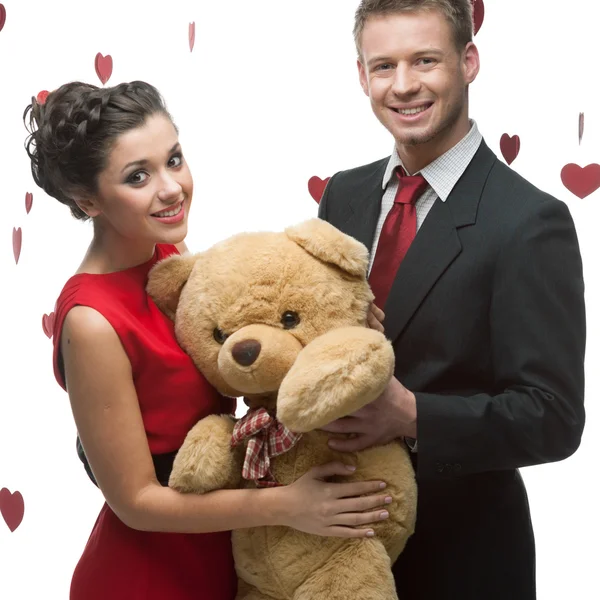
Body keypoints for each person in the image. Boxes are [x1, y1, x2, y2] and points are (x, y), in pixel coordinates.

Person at [23, 80, 394, 600]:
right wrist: (288, 504)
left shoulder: (166, 257)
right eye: (137, 176)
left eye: (173, 159)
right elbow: (135, 501)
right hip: (147, 577)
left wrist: (335, 330)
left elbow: (240, 359)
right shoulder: (91, 321)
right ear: (88, 201)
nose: (171, 187)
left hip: (224, 554)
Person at [318, 1, 586, 598]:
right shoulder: (344, 194)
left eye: (425, 61)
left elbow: (553, 418)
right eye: (383, 65)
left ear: (468, 62)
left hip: (463, 555)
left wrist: (411, 415)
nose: (404, 85)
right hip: (334, 541)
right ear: (361, 76)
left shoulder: (530, 221)